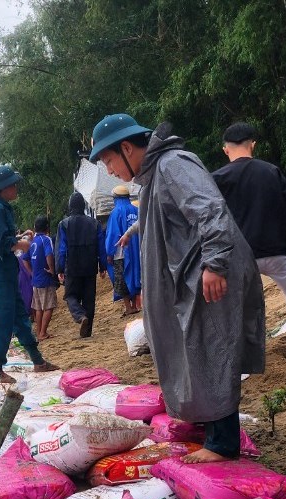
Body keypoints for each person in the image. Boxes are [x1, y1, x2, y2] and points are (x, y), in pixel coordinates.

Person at [90, 113, 265, 463]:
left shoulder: (173, 164)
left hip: (211, 274)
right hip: (193, 277)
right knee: (196, 350)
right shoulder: (155, 175)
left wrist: (214, 263)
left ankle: (223, 443)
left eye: (109, 160)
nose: (109, 171)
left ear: (127, 148)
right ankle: (212, 429)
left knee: (211, 348)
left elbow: (209, 209)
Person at [211, 121, 286, 344]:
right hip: (277, 253)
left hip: (241, 258)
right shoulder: (271, 171)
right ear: (253, 145)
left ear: (225, 149)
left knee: (236, 315)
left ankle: (241, 370)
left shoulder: (217, 178)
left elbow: (211, 220)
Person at [0, 165, 58, 383]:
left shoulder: (1, 208)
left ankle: (37, 361)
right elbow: (1, 243)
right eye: (13, 184)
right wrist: (22, 243)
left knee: (21, 318)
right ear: (3, 187)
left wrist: (18, 239)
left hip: (5, 274)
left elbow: (4, 237)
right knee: (1, 322)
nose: (16, 187)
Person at [57, 192, 104, 338]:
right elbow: (101, 247)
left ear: (70, 206)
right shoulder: (94, 223)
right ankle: (87, 332)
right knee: (89, 299)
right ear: (83, 206)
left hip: (72, 266)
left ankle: (80, 315)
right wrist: (102, 266)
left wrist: (59, 268)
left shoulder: (64, 224)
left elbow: (61, 249)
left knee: (70, 296)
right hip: (90, 266)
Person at [104, 185, 141, 315]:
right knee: (136, 274)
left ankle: (128, 307)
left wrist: (109, 252)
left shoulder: (116, 212)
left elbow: (113, 234)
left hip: (120, 252)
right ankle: (135, 305)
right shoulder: (136, 209)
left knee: (121, 278)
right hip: (136, 251)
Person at [28, 215, 59, 340]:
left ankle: (39, 332)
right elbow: (49, 254)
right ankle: (42, 333)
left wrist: (32, 272)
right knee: (49, 306)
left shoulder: (32, 241)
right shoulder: (46, 240)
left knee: (38, 307)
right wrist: (52, 270)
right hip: (45, 279)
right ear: (47, 227)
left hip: (35, 279)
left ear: (35, 227)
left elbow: (25, 260)